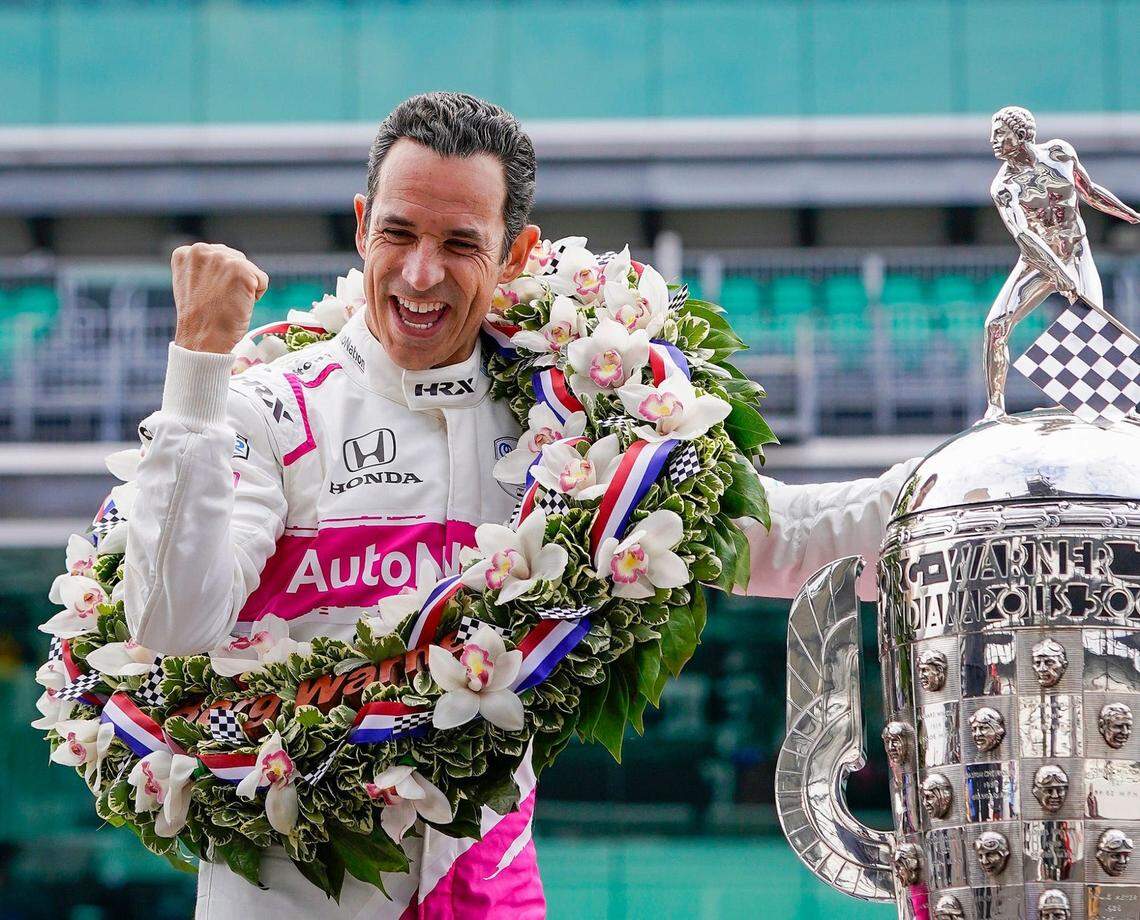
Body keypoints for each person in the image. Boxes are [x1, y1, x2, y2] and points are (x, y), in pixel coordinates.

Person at [124, 92, 916, 919]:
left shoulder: (573, 413)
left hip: (484, 892)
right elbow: (174, 620)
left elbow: (782, 539)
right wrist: (199, 369)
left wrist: (990, 482)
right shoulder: (272, 406)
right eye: (397, 233)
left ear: (515, 254)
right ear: (362, 226)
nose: (420, 273)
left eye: (460, 243)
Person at [983, 104, 1140, 420]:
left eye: (1000, 133)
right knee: (995, 326)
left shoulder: (1060, 153)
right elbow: (1025, 236)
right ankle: (994, 408)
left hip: (1077, 252)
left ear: (1022, 133)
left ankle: (1122, 406)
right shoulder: (1004, 187)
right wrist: (1057, 272)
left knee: (1094, 326)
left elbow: (1090, 192)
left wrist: (1130, 214)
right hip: (1037, 261)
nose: (993, 140)